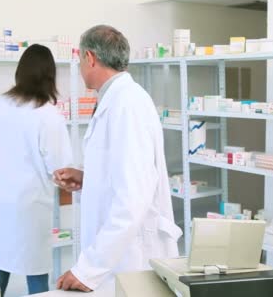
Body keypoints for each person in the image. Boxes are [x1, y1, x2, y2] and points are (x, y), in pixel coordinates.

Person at [53, 25, 182, 292]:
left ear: (90, 58)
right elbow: (123, 175)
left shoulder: (127, 105)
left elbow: (132, 197)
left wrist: (87, 270)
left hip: (132, 258)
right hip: (119, 257)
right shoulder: (115, 100)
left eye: (79, 62)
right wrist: (86, 179)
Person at [0, 44, 73, 296]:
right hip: (30, 210)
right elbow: (61, 169)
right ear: (50, 76)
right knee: (37, 278)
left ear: (20, 72)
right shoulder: (49, 115)